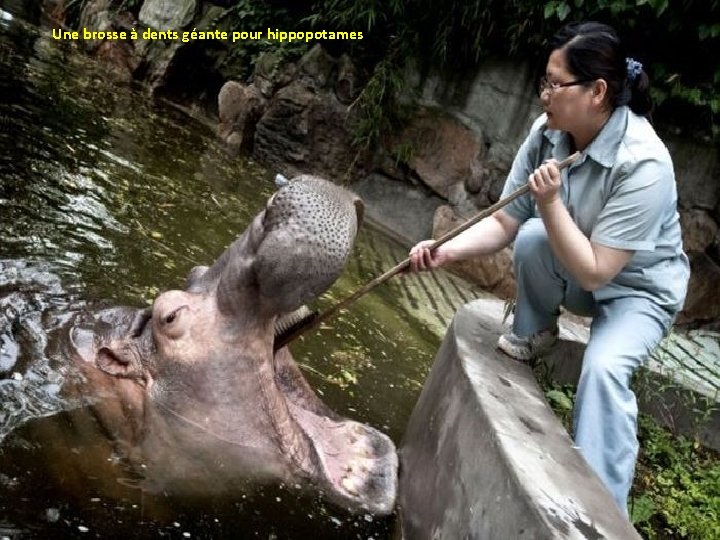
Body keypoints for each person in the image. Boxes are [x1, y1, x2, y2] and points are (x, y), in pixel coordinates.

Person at [407, 21, 690, 515]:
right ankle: (536, 330)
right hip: (584, 268)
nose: (543, 96)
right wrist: (444, 250)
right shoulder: (548, 133)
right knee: (535, 235)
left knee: (603, 371)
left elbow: (597, 273)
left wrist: (552, 201)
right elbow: (505, 222)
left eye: (554, 85)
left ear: (597, 91)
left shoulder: (644, 164)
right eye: (544, 82)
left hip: (637, 294)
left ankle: (603, 510)